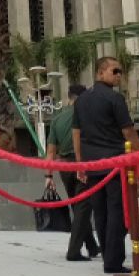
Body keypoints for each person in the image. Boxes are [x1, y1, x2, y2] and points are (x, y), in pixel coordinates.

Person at [73, 56, 139, 275]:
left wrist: (80, 162)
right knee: (116, 212)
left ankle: (107, 256)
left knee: (100, 212)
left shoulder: (82, 99)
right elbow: (128, 130)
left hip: (93, 163)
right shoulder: (114, 98)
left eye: (120, 71)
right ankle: (113, 259)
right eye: (115, 71)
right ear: (100, 73)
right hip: (114, 162)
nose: (119, 75)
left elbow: (77, 133)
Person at [45, 84, 98, 261]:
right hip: (81, 165)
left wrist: (49, 175)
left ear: (69, 97)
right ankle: (73, 250)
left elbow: (51, 151)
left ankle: (91, 246)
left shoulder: (57, 119)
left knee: (78, 208)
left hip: (64, 168)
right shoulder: (86, 115)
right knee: (83, 209)